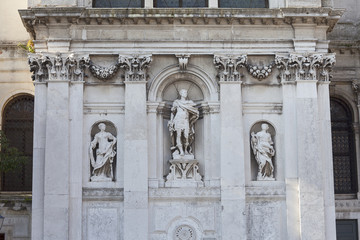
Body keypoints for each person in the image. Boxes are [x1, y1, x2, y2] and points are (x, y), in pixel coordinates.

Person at [168, 89, 199, 159]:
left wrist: (191, 120)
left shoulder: (189, 103)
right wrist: (171, 121)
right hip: (178, 120)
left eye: (186, 92)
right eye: (184, 92)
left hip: (185, 121)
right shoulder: (177, 102)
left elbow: (195, 110)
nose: (185, 93)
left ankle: (186, 150)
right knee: (178, 135)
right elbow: (173, 112)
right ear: (180, 93)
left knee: (186, 136)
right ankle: (181, 151)